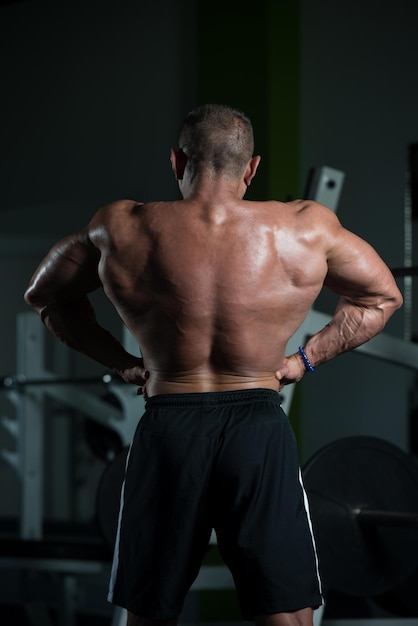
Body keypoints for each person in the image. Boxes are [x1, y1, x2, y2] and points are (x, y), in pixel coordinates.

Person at [24, 104, 403, 626]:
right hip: (257, 426)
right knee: (286, 617)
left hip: (168, 423)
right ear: (251, 168)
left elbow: (44, 297)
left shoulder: (121, 225)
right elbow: (382, 299)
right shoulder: (307, 228)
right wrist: (303, 361)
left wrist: (123, 363)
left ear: (177, 161)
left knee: (148, 612)